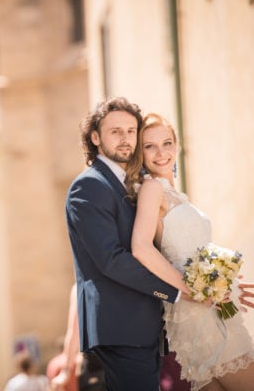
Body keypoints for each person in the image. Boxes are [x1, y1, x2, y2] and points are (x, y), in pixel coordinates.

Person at [128, 112, 254, 391]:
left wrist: (227, 285)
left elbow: (194, 253)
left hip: (212, 308)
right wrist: (190, 288)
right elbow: (140, 247)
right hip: (197, 312)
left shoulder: (174, 191)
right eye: (150, 146)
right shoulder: (151, 188)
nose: (161, 153)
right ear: (140, 152)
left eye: (167, 142)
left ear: (177, 145)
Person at [65, 97, 180, 391]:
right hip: (119, 328)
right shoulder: (88, 186)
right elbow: (112, 259)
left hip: (143, 328)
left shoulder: (133, 182)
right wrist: (175, 291)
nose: (126, 139)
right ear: (95, 137)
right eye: (116, 131)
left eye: (131, 131)